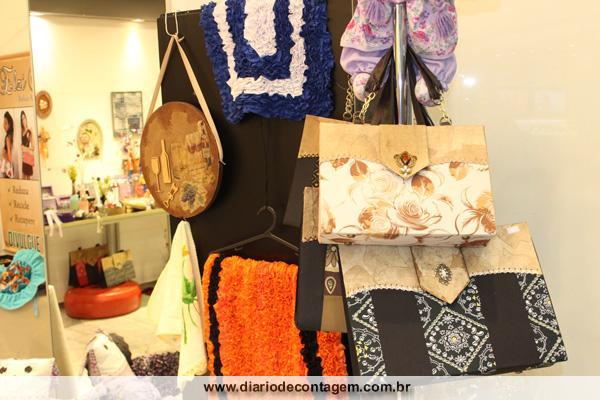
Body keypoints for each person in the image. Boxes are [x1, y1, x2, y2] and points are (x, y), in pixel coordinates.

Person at [20, 111, 34, 179]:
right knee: (23, 177)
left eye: (24, 118)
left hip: (28, 157)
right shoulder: (21, 132)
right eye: (22, 119)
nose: (23, 120)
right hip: (23, 158)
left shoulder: (29, 131)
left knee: (28, 178)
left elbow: (33, 148)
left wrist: (25, 148)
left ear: (26, 118)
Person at [1, 111, 14, 179]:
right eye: (4, 123)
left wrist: (4, 154)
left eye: (6, 123)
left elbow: (9, 157)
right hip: (8, 167)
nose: (4, 125)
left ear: (10, 124)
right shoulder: (10, 136)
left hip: (8, 167)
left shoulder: (8, 137)